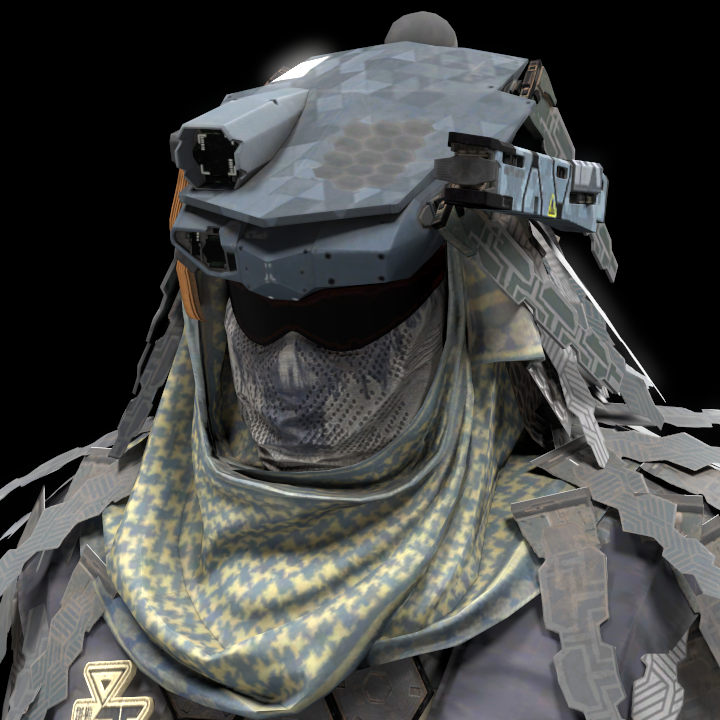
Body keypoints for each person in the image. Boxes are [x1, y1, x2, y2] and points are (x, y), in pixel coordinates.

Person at [1, 11, 718, 720]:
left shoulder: (646, 568)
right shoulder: (70, 559)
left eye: (345, 315)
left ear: (473, 310)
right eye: (261, 311)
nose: (289, 373)